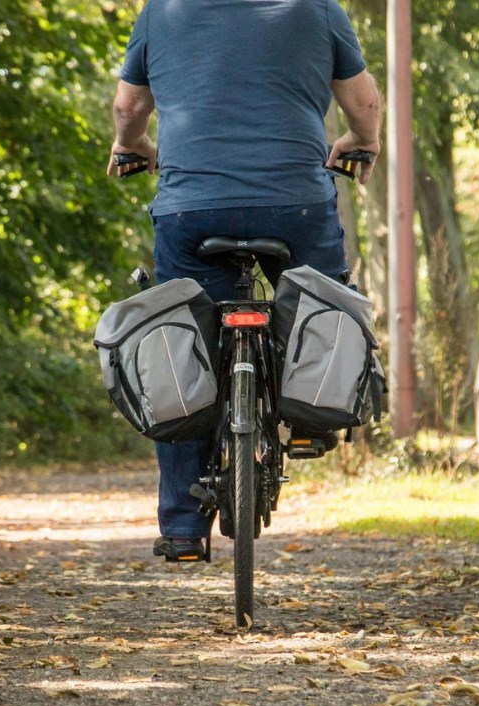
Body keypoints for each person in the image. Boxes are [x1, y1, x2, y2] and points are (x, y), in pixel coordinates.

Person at [106, 0, 381, 562]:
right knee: (322, 305)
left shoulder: (165, 10)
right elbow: (364, 101)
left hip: (191, 211)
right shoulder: (317, 7)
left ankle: (182, 527)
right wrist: (363, 141)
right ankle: (308, 422)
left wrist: (132, 146)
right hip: (295, 204)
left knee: (181, 343)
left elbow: (129, 104)